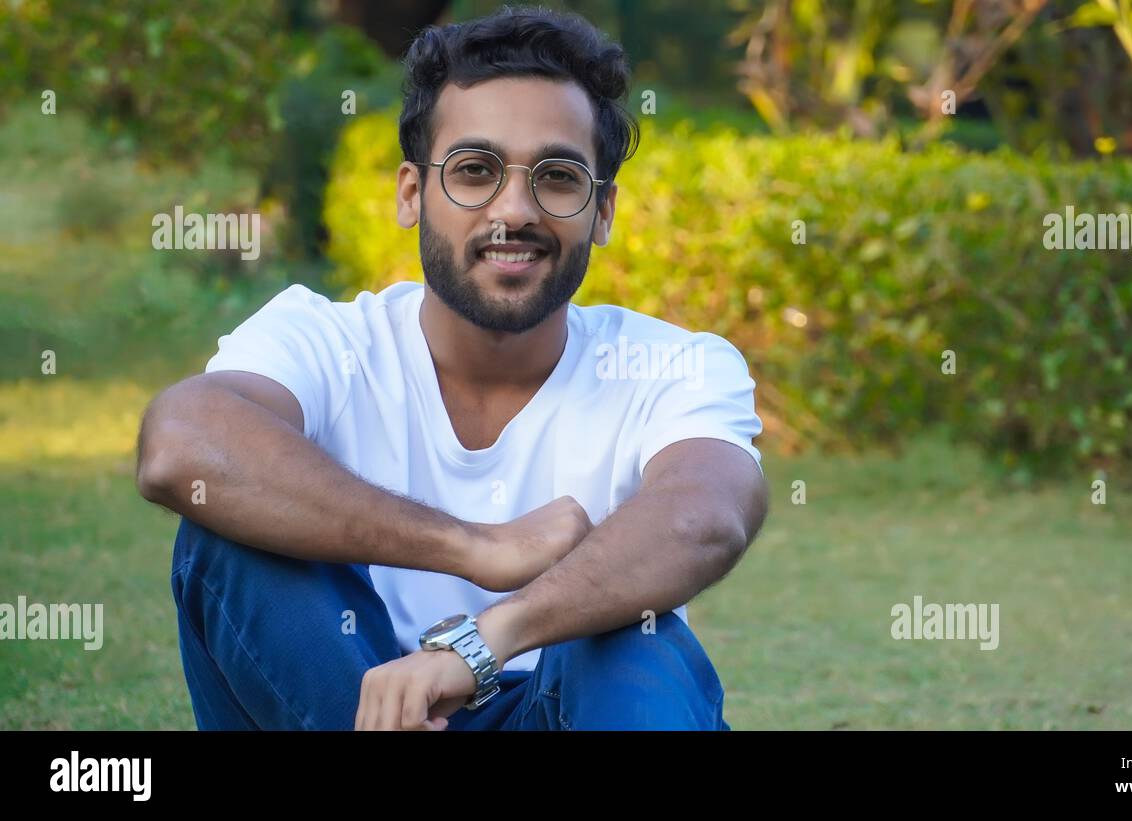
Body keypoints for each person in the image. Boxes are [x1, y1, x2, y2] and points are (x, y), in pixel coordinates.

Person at [136, 4, 768, 731]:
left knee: (637, 639)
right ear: (412, 193)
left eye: (558, 178)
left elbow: (708, 514)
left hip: (561, 709)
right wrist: (478, 546)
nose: (514, 210)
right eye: (475, 170)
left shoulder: (675, 365)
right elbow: (178, 444)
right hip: (350, 708)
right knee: (227, 531)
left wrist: (487, 639)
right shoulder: (323, 338)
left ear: (602, 211)